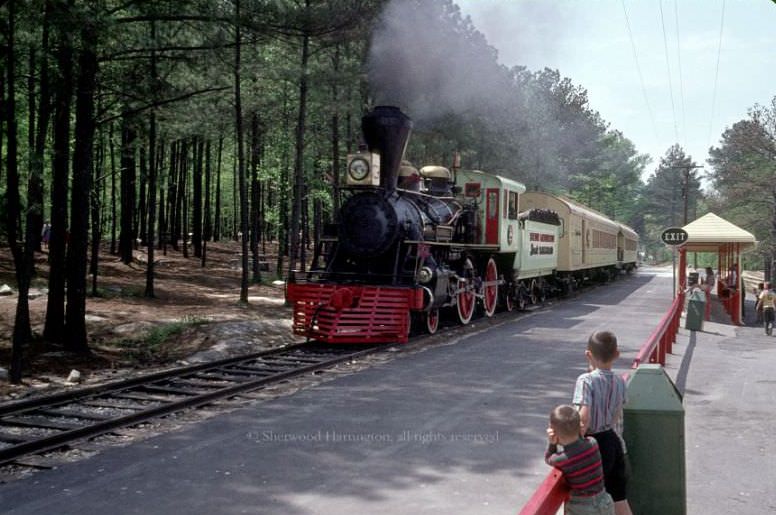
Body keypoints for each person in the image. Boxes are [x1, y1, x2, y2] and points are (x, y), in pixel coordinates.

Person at [573, 331, 632, 515]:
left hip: (595, 446)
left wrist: (575, 442)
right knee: (618, 497)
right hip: (613, 442)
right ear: (617, 354)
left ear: (588, 354)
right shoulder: (620, 381)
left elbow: (584, 417)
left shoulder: (586, 380)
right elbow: (616, 416)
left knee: (592, 501)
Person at [545, 405, 614, 515]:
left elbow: (548, 458)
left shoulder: (561, 459)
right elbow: (582, 442)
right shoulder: (592, 443)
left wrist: (552, 443)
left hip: (581, 507)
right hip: (604, 502)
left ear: (554, 433)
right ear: (580, 426)